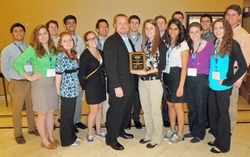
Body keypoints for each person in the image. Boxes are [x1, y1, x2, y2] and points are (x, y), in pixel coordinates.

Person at [13, 25, 59, 149]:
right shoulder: (32, 49)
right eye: (40, 34)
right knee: (42, 113)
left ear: (48, 35)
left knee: (51, 112)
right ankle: (44, 140)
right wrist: (30, 77)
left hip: (52, 83)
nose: (43, 36)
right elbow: (17, 64)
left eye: (45, 33)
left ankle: (50, 136)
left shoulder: (53, 49)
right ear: (36, 37)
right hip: (40, 85)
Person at [208, 18, 247, 153]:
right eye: (215, 28)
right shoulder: (216, 42)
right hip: (212, 85)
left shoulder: (233, 44)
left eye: (221, 27)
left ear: (226, 29)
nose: (217, 31)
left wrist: (228, 81)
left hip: (223, 87)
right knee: (213, 114)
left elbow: (243, 67)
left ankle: (223, 146)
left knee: (223, 116)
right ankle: (218, 138)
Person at [1, 23, 39, 144]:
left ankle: (32, 128)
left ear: (24, 32)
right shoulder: (7, 50)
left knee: (31, 108)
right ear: (12, 34)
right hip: (17, 83)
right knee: (17, 111)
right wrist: (13, 81)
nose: (19, 33)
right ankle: (18, 134)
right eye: (16, 31)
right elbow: (4, 68)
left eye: (21, 31)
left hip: (30, 82)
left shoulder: (30, 48)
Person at [131, 19, 167, 148]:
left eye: (151, 28)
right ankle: (149, 134)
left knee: (155, 112)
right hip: (142, 82)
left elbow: (162, 66)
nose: (149, 31)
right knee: (146, 110)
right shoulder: (145, 44)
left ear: (156, 30)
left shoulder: (161, 45)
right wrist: (136, 69)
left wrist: (146, 73)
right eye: (146, 28)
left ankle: (156, 138)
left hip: (154, 82)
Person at [104, 14, 135, 151]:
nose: (123, 26)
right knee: (116, 112)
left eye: (125, 23)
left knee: (126, 110)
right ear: (115, 25)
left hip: (130, 83)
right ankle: (111, 138)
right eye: (120, 23)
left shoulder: (128, 40)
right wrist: (116, 86)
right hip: (119, 86)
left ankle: (121, 131)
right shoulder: (111, 41)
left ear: (128, 25)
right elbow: (110, 66)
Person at [184, 22, 214, 143]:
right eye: (191, 32)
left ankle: (200, 133)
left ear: (201, 31)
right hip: (189, 79)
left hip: (202, 79)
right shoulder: (187, 46)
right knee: (192, 107)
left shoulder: (209, 46)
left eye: (197, 31)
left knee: (201, 106)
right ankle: (193, 130)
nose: (194, 34)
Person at [163, 18, 189, 144]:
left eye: (175, 29)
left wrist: (181, 86)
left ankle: (180, 134)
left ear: (180, 31)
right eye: (171, 28)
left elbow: (185, 67)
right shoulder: (167, 43)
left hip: (177, 76)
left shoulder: (183, 44)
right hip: (167, 76)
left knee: (178, 106)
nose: (173, 31)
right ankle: (172, 130)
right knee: (170, 105)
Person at [225, 4, 250, 133]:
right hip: (224, 71)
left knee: (230, 104)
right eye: (228, 14)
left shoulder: (243, 35)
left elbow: (246, 60)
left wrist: (239, 79)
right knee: (223, 102)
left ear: (239, 17)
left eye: (233, 15)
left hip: (235, 72)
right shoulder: (224, 32)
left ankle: (229, 129)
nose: (230, 17)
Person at [55, 32, 83, 147]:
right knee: (66, 117)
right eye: (65, 41)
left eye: (70, 40)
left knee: (70, 115)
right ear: (61, 43)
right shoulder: (61, 56)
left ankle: (72, 136)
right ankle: (66, 141)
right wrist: (58, 90)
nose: (68, 42)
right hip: (66, 90)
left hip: (74, 89)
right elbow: (58, 75)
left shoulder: (73, 54)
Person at [79, 31, 106, 144]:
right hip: (91, 86)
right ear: (86, 42)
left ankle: (98, 131)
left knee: (99, 109)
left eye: (94, 38)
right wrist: (84, 88)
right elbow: (81, 74)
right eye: (90, 39)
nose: (93, 40)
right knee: (93, 111)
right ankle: (90, 133)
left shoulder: (100, 52)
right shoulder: (85, 55)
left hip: (101, 85)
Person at [63, 15, 86, 133]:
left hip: (77, 73)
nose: (71, 25)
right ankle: (67, 122)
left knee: (78, 99)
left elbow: (81, 57)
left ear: (76, 24)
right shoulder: (60, 39)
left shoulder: (80, 40)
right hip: (66, 76)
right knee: (66, 102)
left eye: (73, 23)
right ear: (65, 25)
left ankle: (77, 121)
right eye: (68, 23)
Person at [127, 15, 143, 130]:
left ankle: (136, 118)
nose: (134, 25)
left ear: (139, 24)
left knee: (139, 96)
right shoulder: (123, 38)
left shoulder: (144, 38)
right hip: (127, 72)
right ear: (128, 24)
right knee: (128, 96)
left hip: (140, 72)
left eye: (136, 22)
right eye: (132, 22)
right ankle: (127, 118)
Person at [154, 15, 170, 128]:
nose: (160, 25)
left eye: (162, 22)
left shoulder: (170, 37)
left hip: (167, 72)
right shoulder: (152, 37)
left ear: (165, 24)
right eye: (158, 23)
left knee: (165, 96)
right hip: (154, 72)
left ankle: (165, 117)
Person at [95, 19, 109, 125]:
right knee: (99, 102)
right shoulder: (94, 42)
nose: (104, 29)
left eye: (106, 26)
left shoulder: (112, 41)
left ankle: (107, 121)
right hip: (97, 76)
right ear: (97, 29)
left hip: (109, 74)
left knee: (108, 99)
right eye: (101, 27)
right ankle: (97, 124)